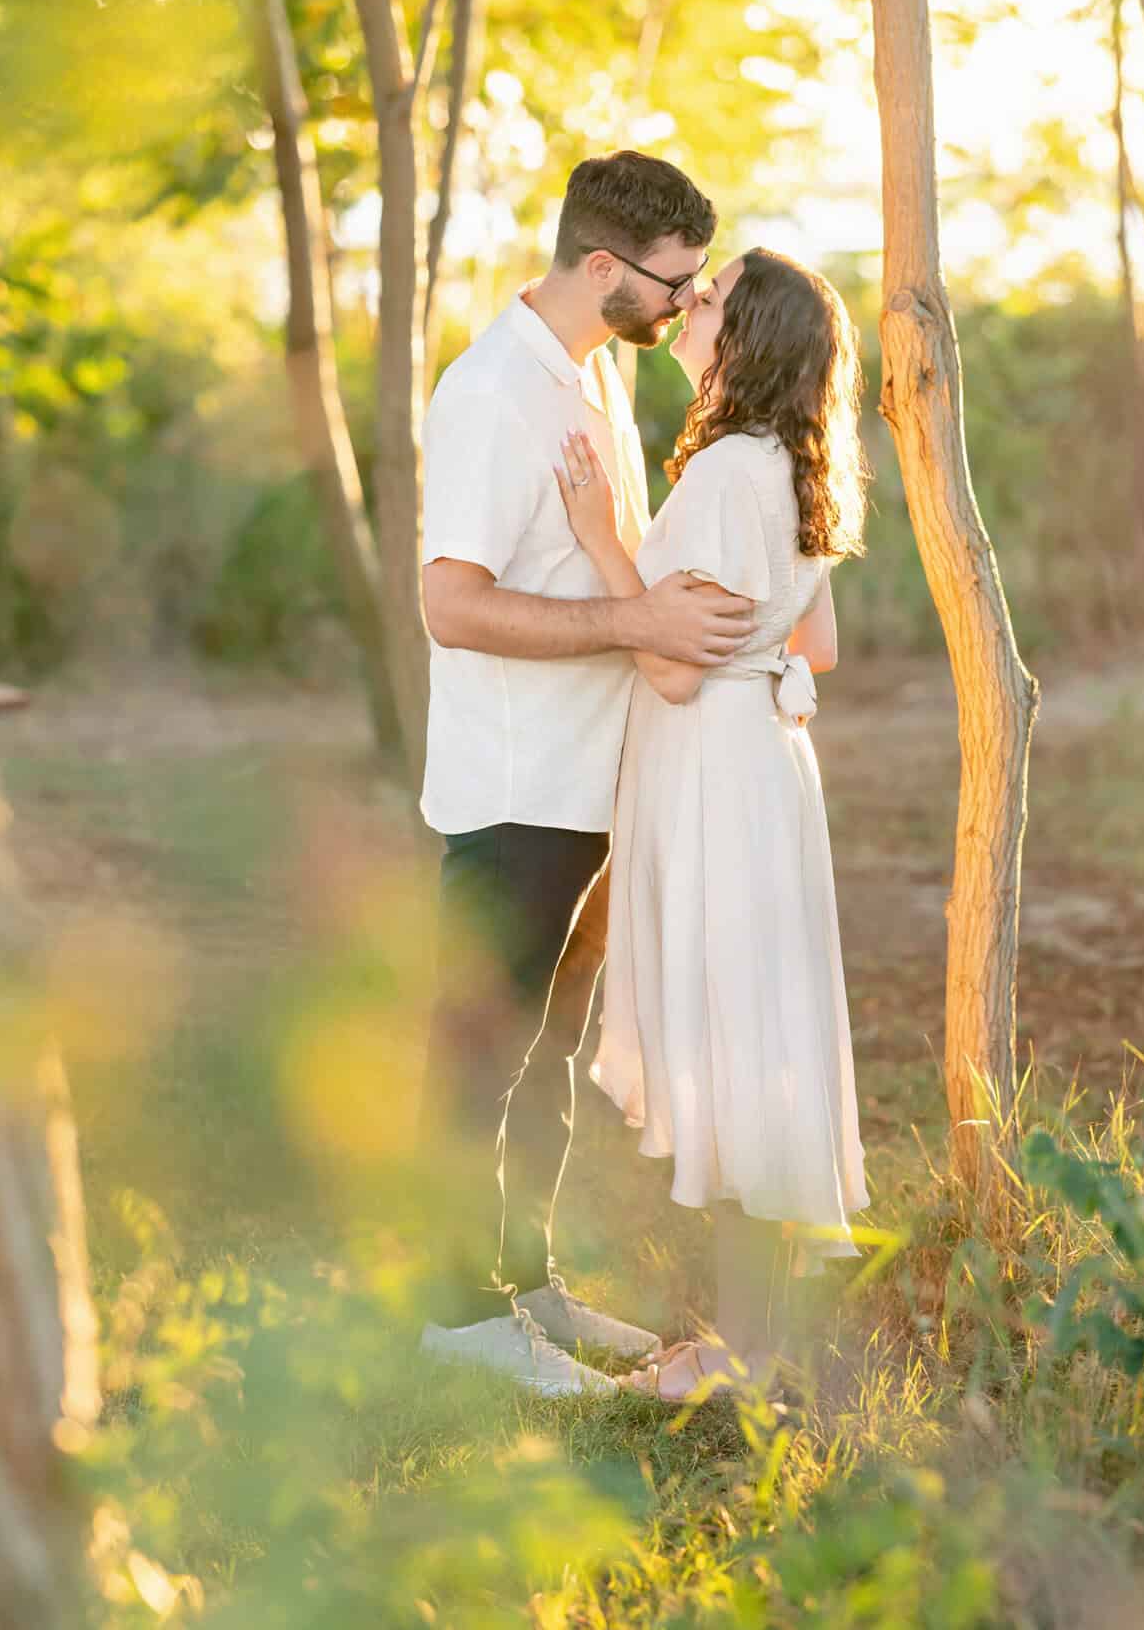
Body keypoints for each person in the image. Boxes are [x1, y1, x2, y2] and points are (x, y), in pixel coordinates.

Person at [417, 151, 755, 1396]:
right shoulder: (492, 392)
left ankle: (528, 1283)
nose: (681, 309)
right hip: (516, 785)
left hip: (595, 784)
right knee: (480, 1052)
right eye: (673, 285)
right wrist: (636, 626)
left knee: (551, 1048)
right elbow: (452, 605)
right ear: (603, 267)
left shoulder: (595, 378)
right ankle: (454, 1321)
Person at [554, 248, 871, 1404]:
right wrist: (747, 663)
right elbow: (817, 646)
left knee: (734, 1049)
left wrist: (599, 536)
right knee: (758, 1044)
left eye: (712, 294)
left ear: (748, 338)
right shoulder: (793, 464)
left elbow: (670, 671)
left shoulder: (729, 468)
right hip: (767, 769)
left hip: (713, 773)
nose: (688, 303)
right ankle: (755, 1344)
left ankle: (738, 1359)